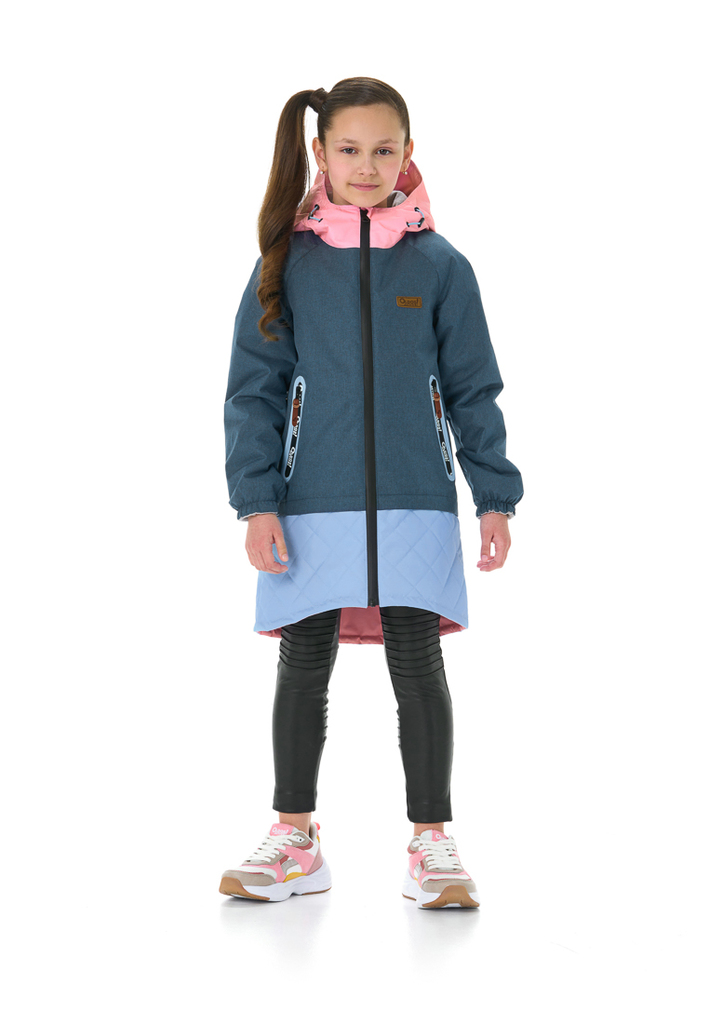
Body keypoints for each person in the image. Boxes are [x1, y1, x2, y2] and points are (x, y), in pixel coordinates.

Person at [219, 77, 523, 910]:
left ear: (408, 153)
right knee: (302, 661)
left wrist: (493, 498)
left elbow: (472, 389)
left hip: (415, 496)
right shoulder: (285, 262)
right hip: (307, 498)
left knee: (416, 662)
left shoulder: (440, 265)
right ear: (319, 153)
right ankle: (294, 838)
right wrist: (256, 501)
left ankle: (432, 843)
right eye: (348, 149)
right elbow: (253, 391)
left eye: (383, 149)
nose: (365, 164)